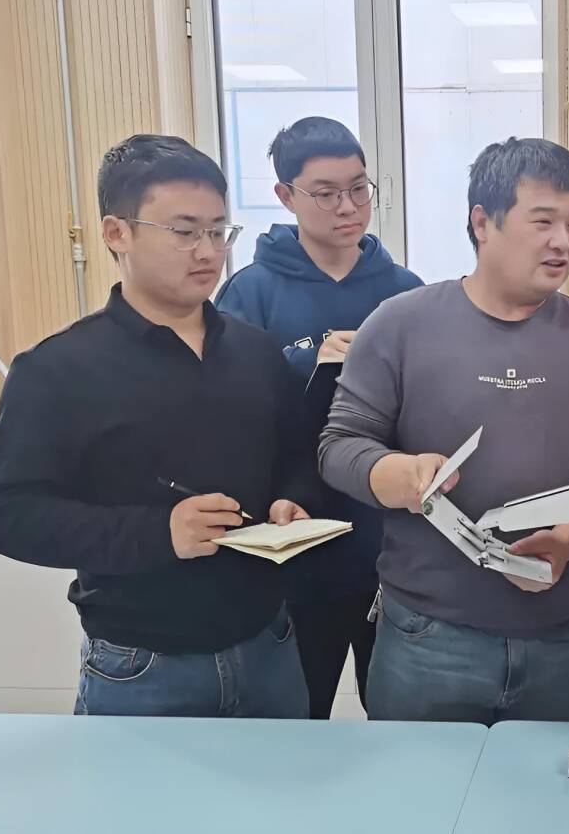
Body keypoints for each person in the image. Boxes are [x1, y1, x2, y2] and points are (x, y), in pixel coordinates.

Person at [0, 135, 319, 718]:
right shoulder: (57, 370)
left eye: (219, 231)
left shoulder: (257, 352)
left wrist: (293, 500)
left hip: (269, 645)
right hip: (142, 665)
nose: (208, 251)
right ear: (117, 233)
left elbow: (296, 457)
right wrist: (161, 534)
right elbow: (5, 515)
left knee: (287, 783)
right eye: (184, 232)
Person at [318, 137, 569, 724]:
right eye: (543, 221)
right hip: (427, 636)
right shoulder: (401, 324)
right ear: (482, 223)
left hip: (562, 640)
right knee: (422, 783)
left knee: (548, 786)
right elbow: (339, 445)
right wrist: (396, 474)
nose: (563, 241)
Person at [216, 117, 422, 719]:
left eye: (359, 188)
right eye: (326, 193)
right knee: (298, 722)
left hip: (390, 544)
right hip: (292, 542)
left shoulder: (406, 291)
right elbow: (231, 409)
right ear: (286, 196)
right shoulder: (250, 292)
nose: (348, 207)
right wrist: (310, 359)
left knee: (404, 724)